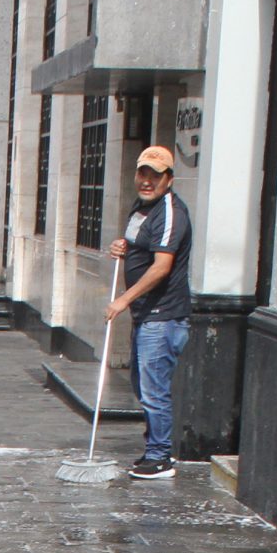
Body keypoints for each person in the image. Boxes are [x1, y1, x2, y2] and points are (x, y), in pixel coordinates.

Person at [107, 144, 193, 480]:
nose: (147, 181)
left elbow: (161, 267)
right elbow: (138, 244)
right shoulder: (142, 207)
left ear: (168, 179)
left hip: (163, 314)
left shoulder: (171, 212)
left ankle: (160, 457)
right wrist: (121, 247)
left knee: (154, 389)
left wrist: (123, 299)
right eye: (143, 173)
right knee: (143, 386)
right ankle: (153, 448)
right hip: (146, 314)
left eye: (155, 175)